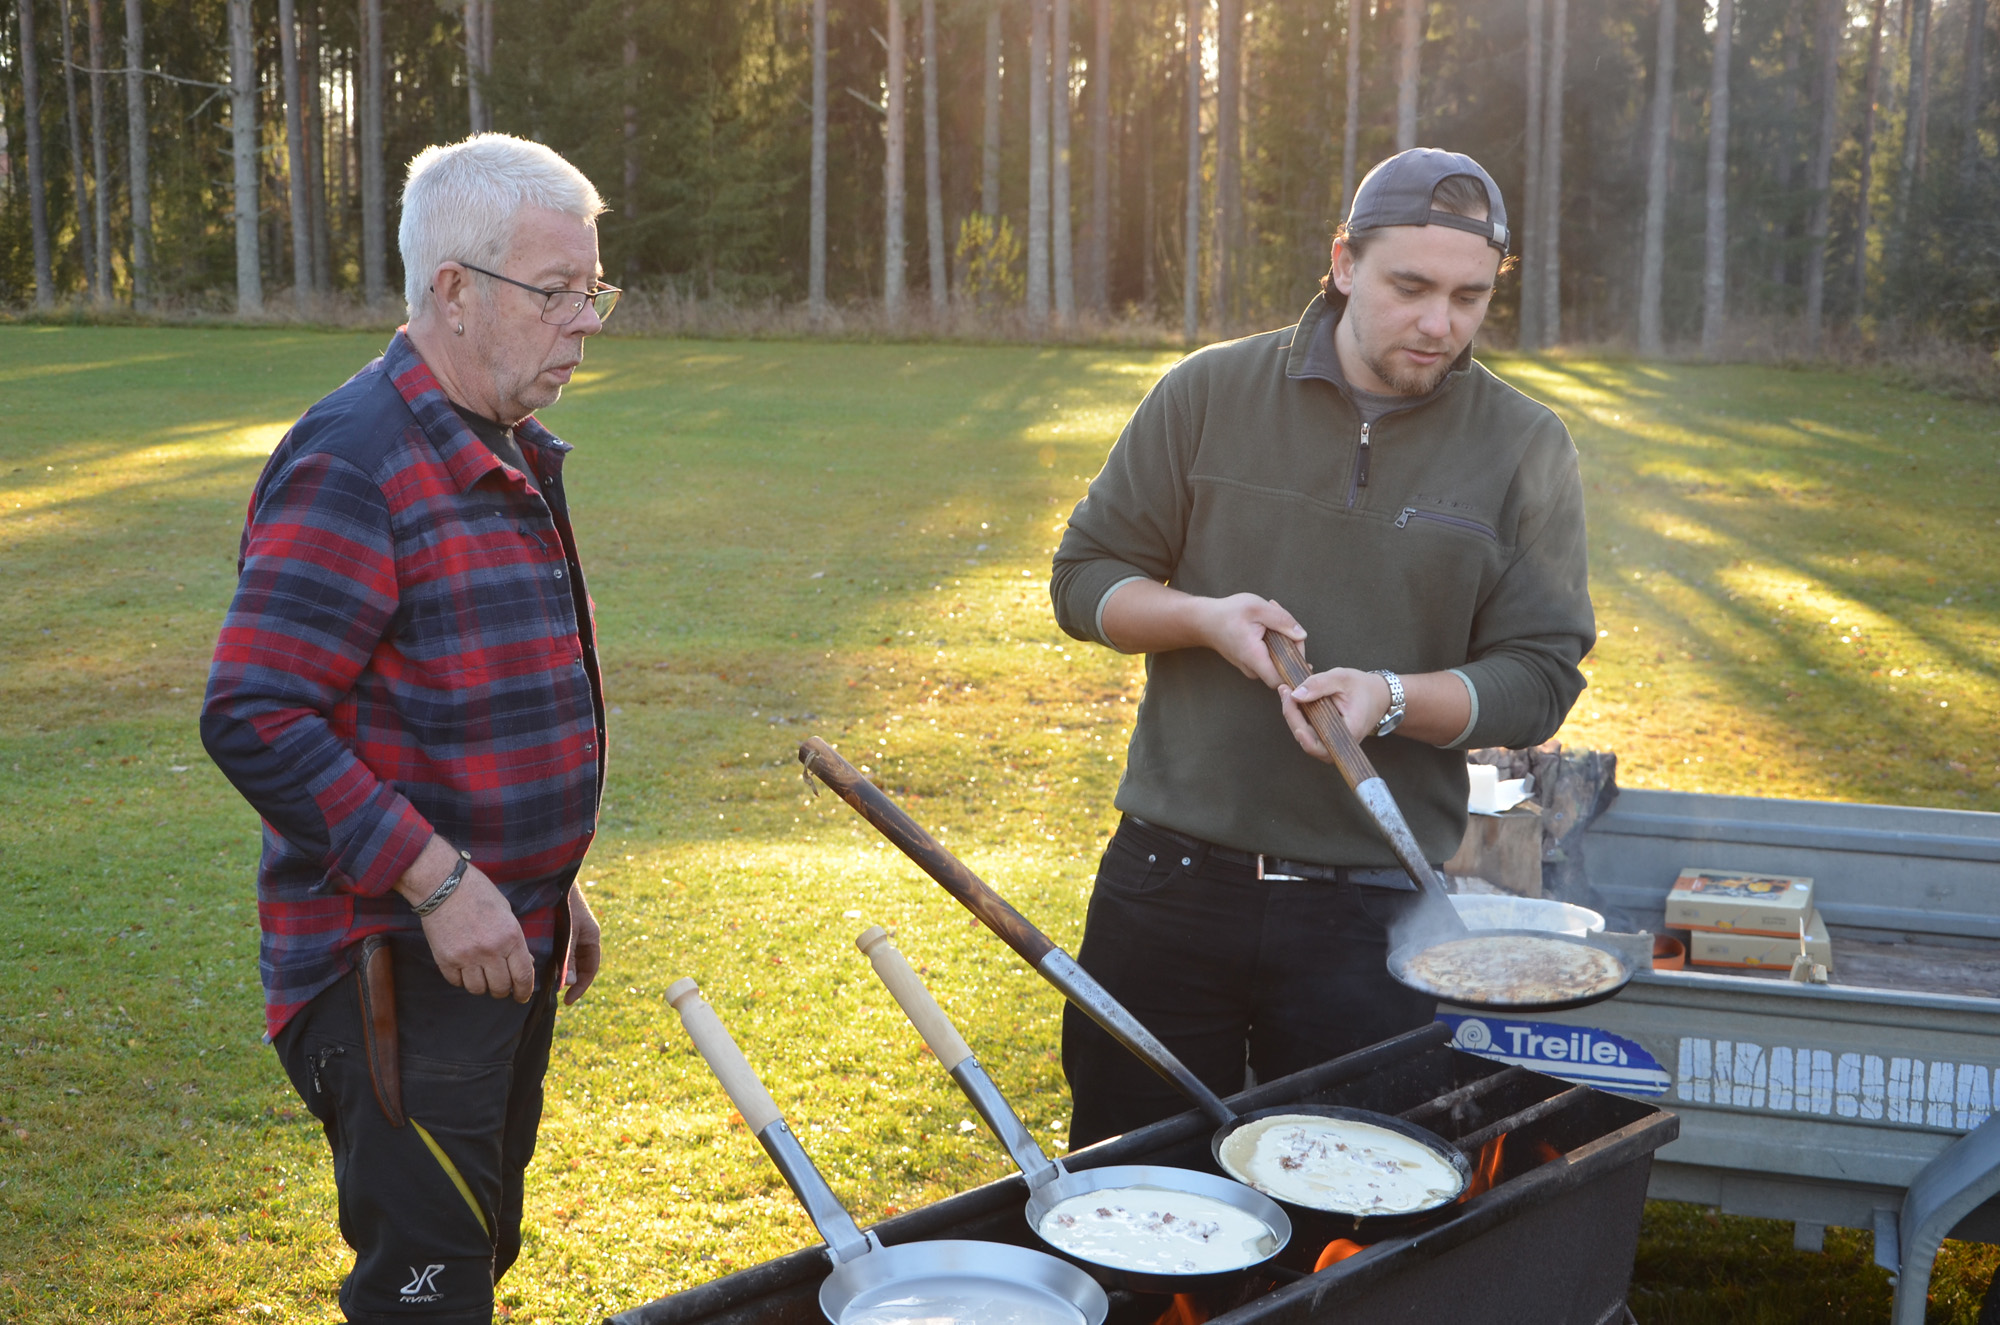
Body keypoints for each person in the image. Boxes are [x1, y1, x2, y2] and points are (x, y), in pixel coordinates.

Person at [1049, 148, 1594, 1147]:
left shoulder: (1525, 445)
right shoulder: (1206, 392)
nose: (1439, 323)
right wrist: (1203, 618)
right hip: (1169, 884)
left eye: (1469, 296)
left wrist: (1388, 696)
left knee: (1351, 1211)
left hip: (1376, 908)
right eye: (1410, 287)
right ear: (1342, 262)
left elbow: (1539, 674)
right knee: (1134, 1184)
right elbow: (1085, 579)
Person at [200, 133, 621, 1321]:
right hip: (394, 959)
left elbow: (467, 703)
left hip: (504, 936)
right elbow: (253, 710)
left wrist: (549, 881)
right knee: (425, 1292)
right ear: (452, 290)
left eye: (593, 291)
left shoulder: (504, 444)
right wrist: (440, 881)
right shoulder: (357, 459)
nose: (584, 321)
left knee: (477, 1246)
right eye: (556, 292)